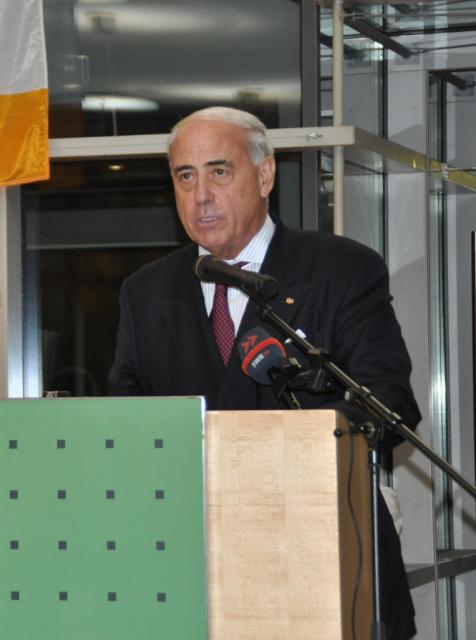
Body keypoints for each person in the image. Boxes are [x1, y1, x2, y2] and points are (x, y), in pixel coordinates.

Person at [110, 106, 421, 639]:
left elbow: (389, 402)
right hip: (199, 572)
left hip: (323, 559)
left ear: (265, 174)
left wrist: (283, 444)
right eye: (185, 176)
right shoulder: (145, 291)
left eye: (219, 171)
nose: (200, 195)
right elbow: (128, 421)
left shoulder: (341, 268)